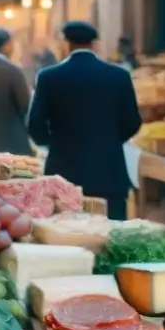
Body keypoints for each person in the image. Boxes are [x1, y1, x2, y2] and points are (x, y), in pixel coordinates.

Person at [27, 21, 142, 221]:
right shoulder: (119, 76)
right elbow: (133, 122)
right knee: (111, 237)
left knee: (66, 237)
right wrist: (110, 141)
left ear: (65, 43)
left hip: (63, 173)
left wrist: (55, 143)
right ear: (94, 44)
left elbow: (34, 126)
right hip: (109, 172)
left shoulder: (48, 77)